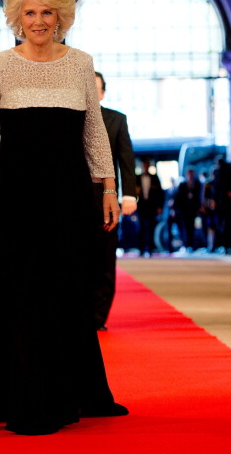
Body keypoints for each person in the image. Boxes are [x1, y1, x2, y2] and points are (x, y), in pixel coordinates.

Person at [0, 0, 127, 436]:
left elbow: (94, 132)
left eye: (46, 12)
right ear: (17, 17)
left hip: (69, 193)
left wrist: (108, 189)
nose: (38, 21)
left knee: (64, 287)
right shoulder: (0, 63)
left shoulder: (81, 63)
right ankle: (18, 396)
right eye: (29, 13)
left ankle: (69, 390)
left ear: (61, 16)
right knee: (18, 289)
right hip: (14, 192)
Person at [93, 72, 137, 330]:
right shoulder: (68, 118)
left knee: (104, 258)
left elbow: (126, 159)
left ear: (102, 93)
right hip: (72, 196)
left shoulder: (116, 119)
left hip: (105, 198)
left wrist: (128, 195)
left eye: (95, 87)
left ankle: (98, 317)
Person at [136, 157, 164, 256]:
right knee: (141, 227)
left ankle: (150, 249)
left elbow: (160, 193)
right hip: (141, 206)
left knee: (151, 227)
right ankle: (141, 249)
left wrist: (160, 207)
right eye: (144, 164)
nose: (145, 166)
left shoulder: (155, 178)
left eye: (147, 164)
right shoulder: (137, 178)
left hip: (152, 206)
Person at [174, 168, 203, 251]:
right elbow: (178, 198)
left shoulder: (197, 184)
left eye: (192, 174)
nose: (190, 176)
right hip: (184, 210)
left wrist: (198, 208)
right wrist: (176, 209)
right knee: (184, 227)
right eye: (189, 174)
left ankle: (191, 245)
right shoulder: (182, 185)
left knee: (192, 227)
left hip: (193, 210)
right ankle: (185, 244)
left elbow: (198, 197)